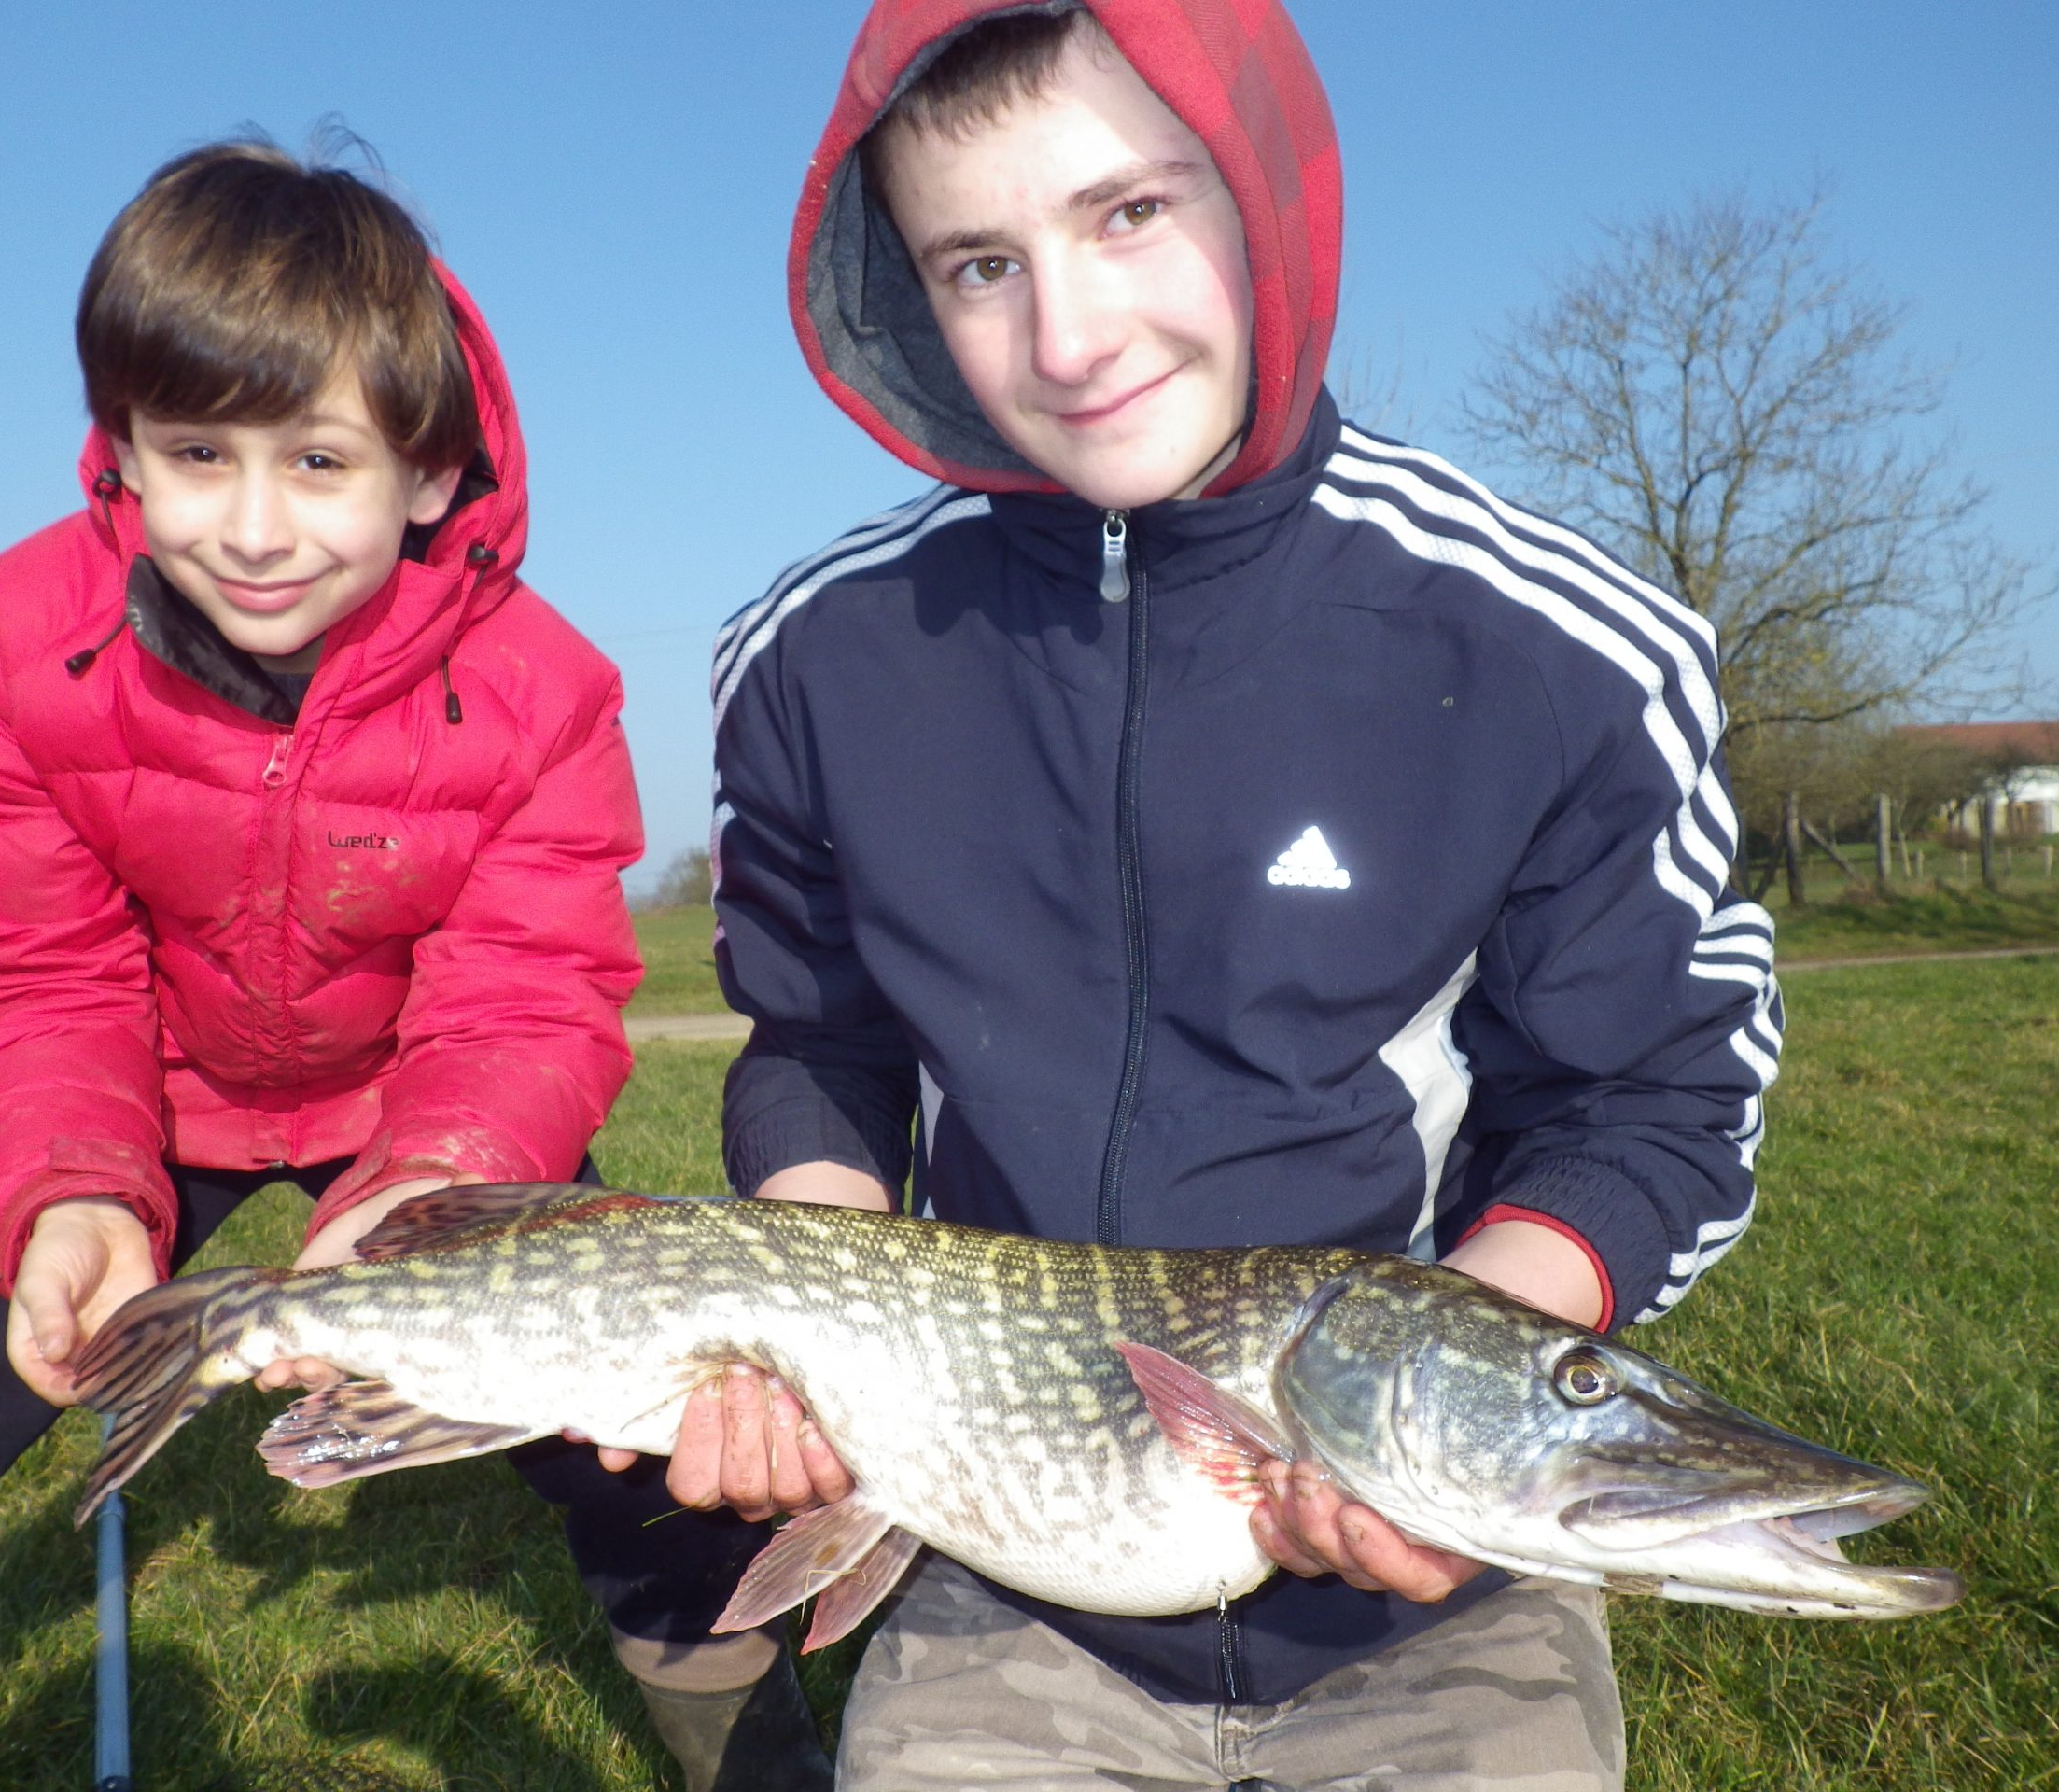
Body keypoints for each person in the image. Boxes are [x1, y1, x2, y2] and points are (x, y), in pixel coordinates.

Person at [663, 4, 1783, 1785]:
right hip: (1003, 1571)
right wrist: (820, 1334)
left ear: (1268, 199)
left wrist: (1429, 1421)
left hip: (1442, 1607)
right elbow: (820, 1044)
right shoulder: (821, 660)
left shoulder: (1554, 650)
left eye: (1130, 213)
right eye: (977, 262)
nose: (1071, 332)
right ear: (907, 298)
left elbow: (1656, 1094)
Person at [0, 143, 825, 1792]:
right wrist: (67, 1192)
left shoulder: (547, 693)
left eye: (319, 461)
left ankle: (744, 1741)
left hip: (418, 1105)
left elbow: (524, 992)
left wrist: (439, 1191)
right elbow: (20, 965)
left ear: (432, 471)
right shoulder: (6, 641)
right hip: (129, 1096)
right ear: (122, 449)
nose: (252, 529)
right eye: (196, 455)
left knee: (654, 1467)